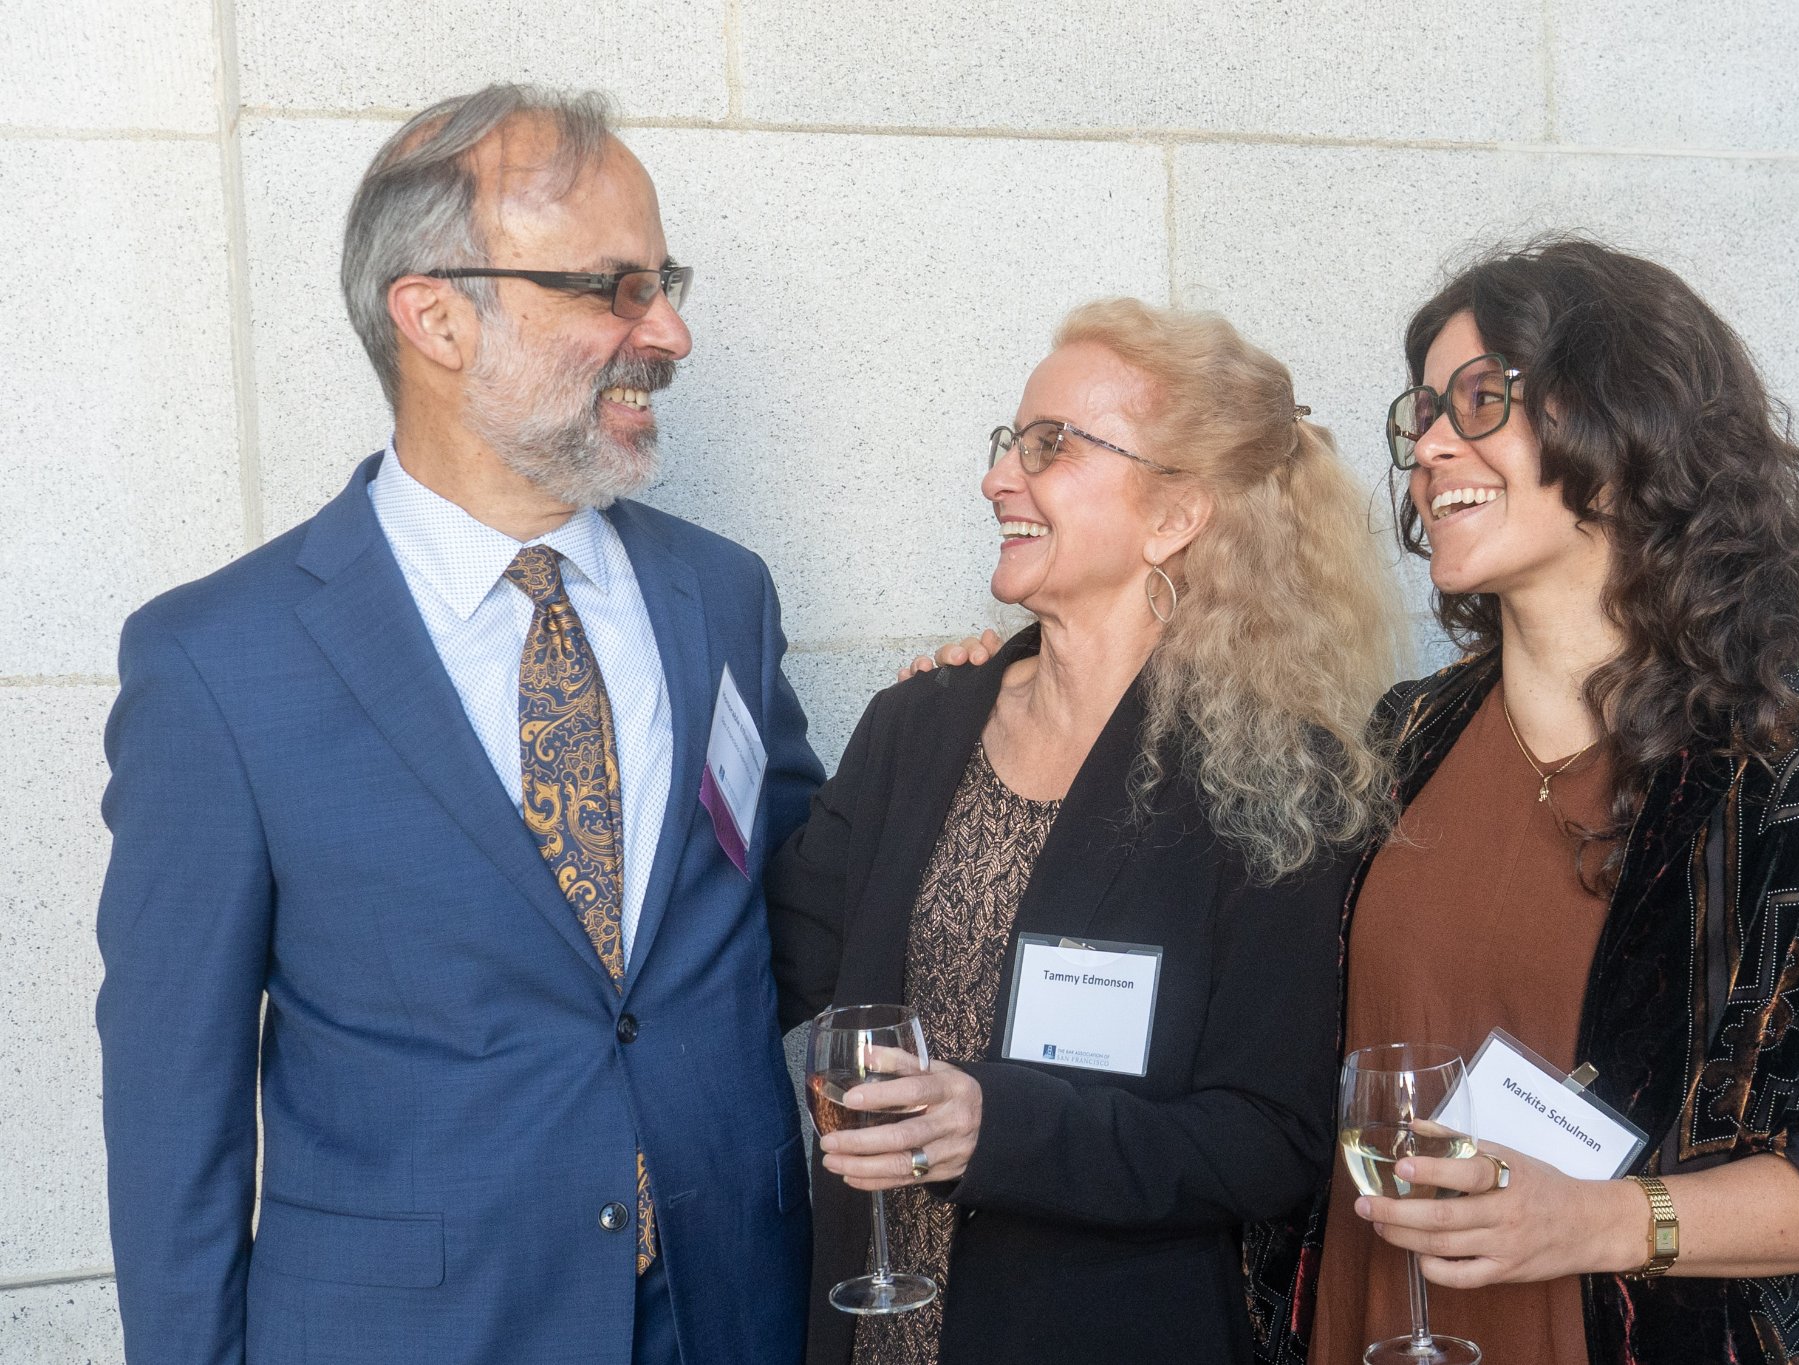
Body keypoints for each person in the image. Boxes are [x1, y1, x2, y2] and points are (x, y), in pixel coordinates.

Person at [95, 85, 822, 1365]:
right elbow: (173, 1107)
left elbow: (805, 906)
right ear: (433, 315)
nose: (671, 331)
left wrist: (998, 719)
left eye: (666, 280)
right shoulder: (217, 663)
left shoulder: (722, 598)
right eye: (613, 287)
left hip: (732, 1313)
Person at [1286, 238, 1799, 1365]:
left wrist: (1600, 1220)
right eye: (1420, 413)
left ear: (1619, 438)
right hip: (1369, 1332)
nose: (1425, 448)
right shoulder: (1400, 743)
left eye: (1479, 401)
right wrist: (1008, 681)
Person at [767, 298, 1408, 1365]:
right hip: (868, 1337)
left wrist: (996, 1128)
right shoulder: (915, 727)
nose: (996, 478)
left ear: (1173, 518)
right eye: (1008, 442)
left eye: (1049, 447)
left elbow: (1271, 1141)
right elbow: (757, 965)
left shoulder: (1278, 785)